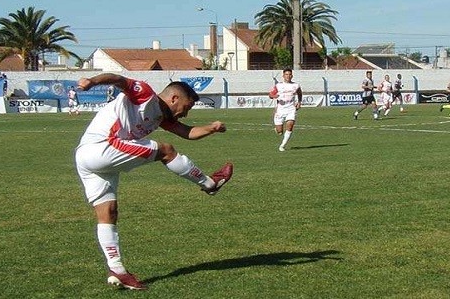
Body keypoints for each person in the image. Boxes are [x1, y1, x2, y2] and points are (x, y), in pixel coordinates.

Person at [74, 73, 234, 290]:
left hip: (87, 159)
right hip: (103, 146)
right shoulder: (145, 94)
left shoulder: (162, 117)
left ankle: (117, 270)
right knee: (165, 150)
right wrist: (92, 82)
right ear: (174, 98)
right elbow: (120, 80)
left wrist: (211, 128)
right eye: (186, 107)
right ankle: (209, 184)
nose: (186, 113)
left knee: (108, 213)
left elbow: (187, 132)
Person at [268, 68, 303, 152]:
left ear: (292, 76)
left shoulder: (296, 85)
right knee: (280, 132)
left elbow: (300, 93)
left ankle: (282, 146)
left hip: (291, 109)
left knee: (290, 125)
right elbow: (270, 94)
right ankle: (277, 130)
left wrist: (299, 102)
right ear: (283, 76)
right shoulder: (278, 85)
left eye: (290, 74)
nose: (288, 76)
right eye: (286, 74)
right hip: (280, 110)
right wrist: (274, 96)